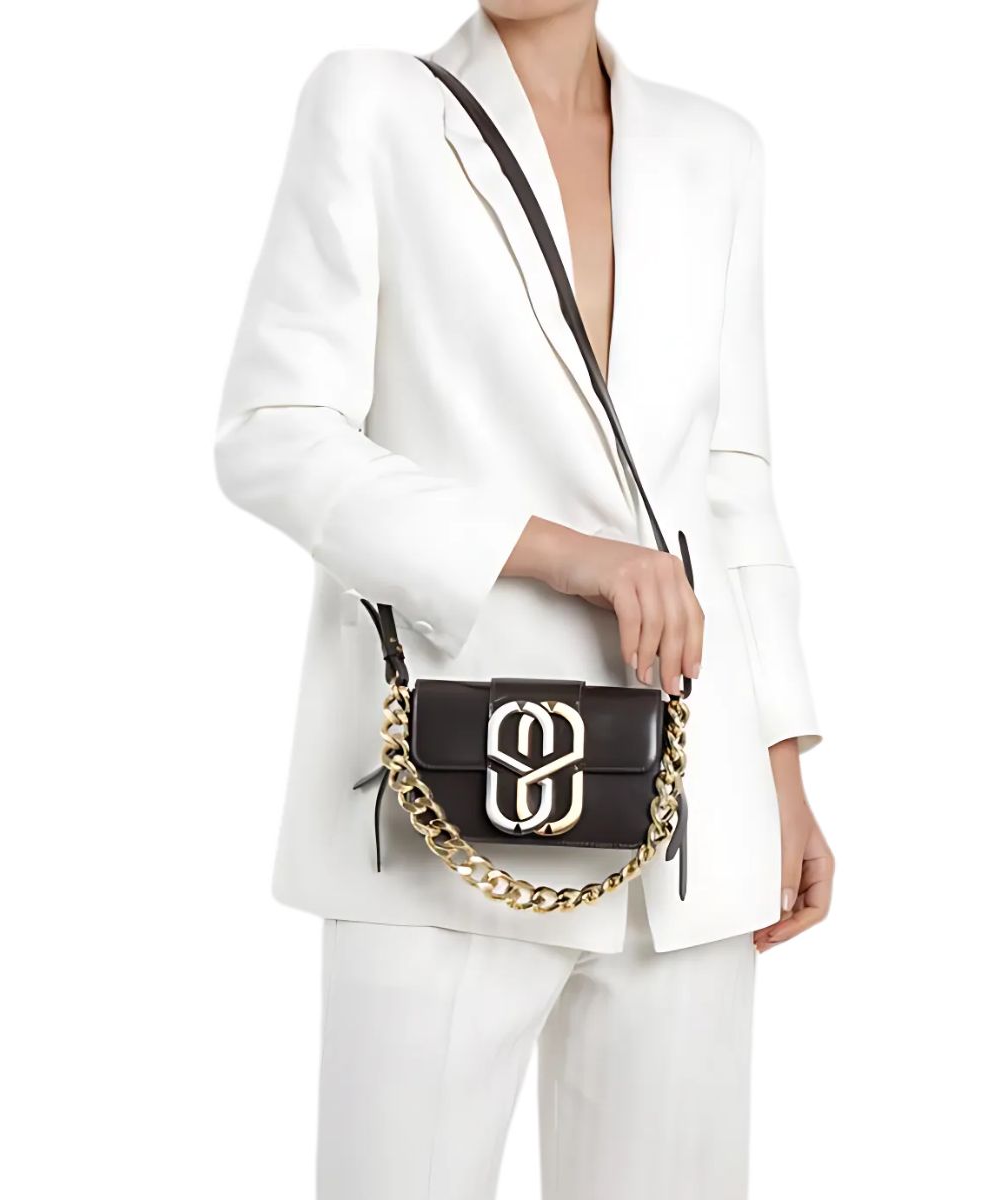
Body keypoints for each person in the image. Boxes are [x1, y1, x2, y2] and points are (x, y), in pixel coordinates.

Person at [216, 3, 835, 1196]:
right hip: (447, 792)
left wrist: (782, 766)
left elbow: (733, 479)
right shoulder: (374, 104)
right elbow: (273, 432)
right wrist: (557, 553)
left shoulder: (715, 152)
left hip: (688, 811)